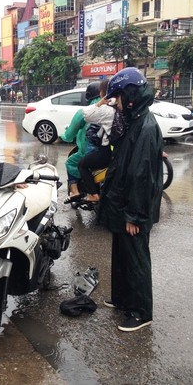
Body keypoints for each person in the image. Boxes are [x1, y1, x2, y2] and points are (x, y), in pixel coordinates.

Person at [98, 67, 163, 332]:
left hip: (134, 207)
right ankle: (123, 298)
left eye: (119, 97)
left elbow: (141, 174)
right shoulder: (135, 120)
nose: (117, 102)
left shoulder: (145, 126)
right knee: (122, 253)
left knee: (136, 257)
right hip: (122, 202)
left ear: (131, 94)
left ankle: (140, 311)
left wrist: (134, 215)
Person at [61, 81, 101, 204]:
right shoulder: (113, 108)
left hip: (90, 152)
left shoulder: (85, 112)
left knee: (70, 162)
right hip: (110, 152)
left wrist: (64, 136)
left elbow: (69, 135)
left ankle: (75, 191)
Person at [77, 80, 115, 203]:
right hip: (119, 152)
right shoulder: (124, 108)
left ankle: (93, 194)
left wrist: (99, 103)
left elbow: (86, 115)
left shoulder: (106, 109)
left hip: (106, 152)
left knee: (82, 164)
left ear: (103, 93)